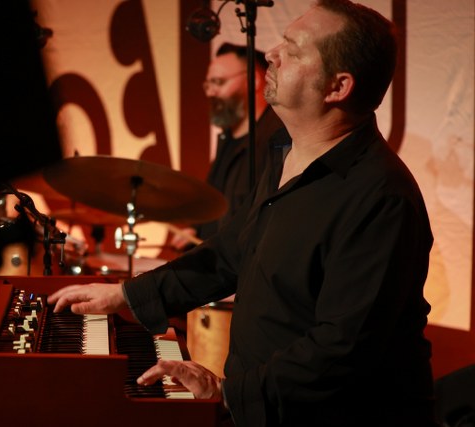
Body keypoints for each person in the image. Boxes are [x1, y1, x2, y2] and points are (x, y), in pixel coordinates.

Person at [48, 1, 439, 426]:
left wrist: (228, 394)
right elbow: (234, 251)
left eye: (293, 50)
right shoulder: (286, 153)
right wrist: (126, 295)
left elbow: (342, 348)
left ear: (337, 86)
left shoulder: (382, 197)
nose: (271, 53)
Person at [170, 42, 285, 251]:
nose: (210, 93)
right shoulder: (227, 141)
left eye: (218, 82)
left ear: (253, 80)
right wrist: (196, 231)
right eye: (208, 85)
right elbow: (216, 211)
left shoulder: (278, 140)